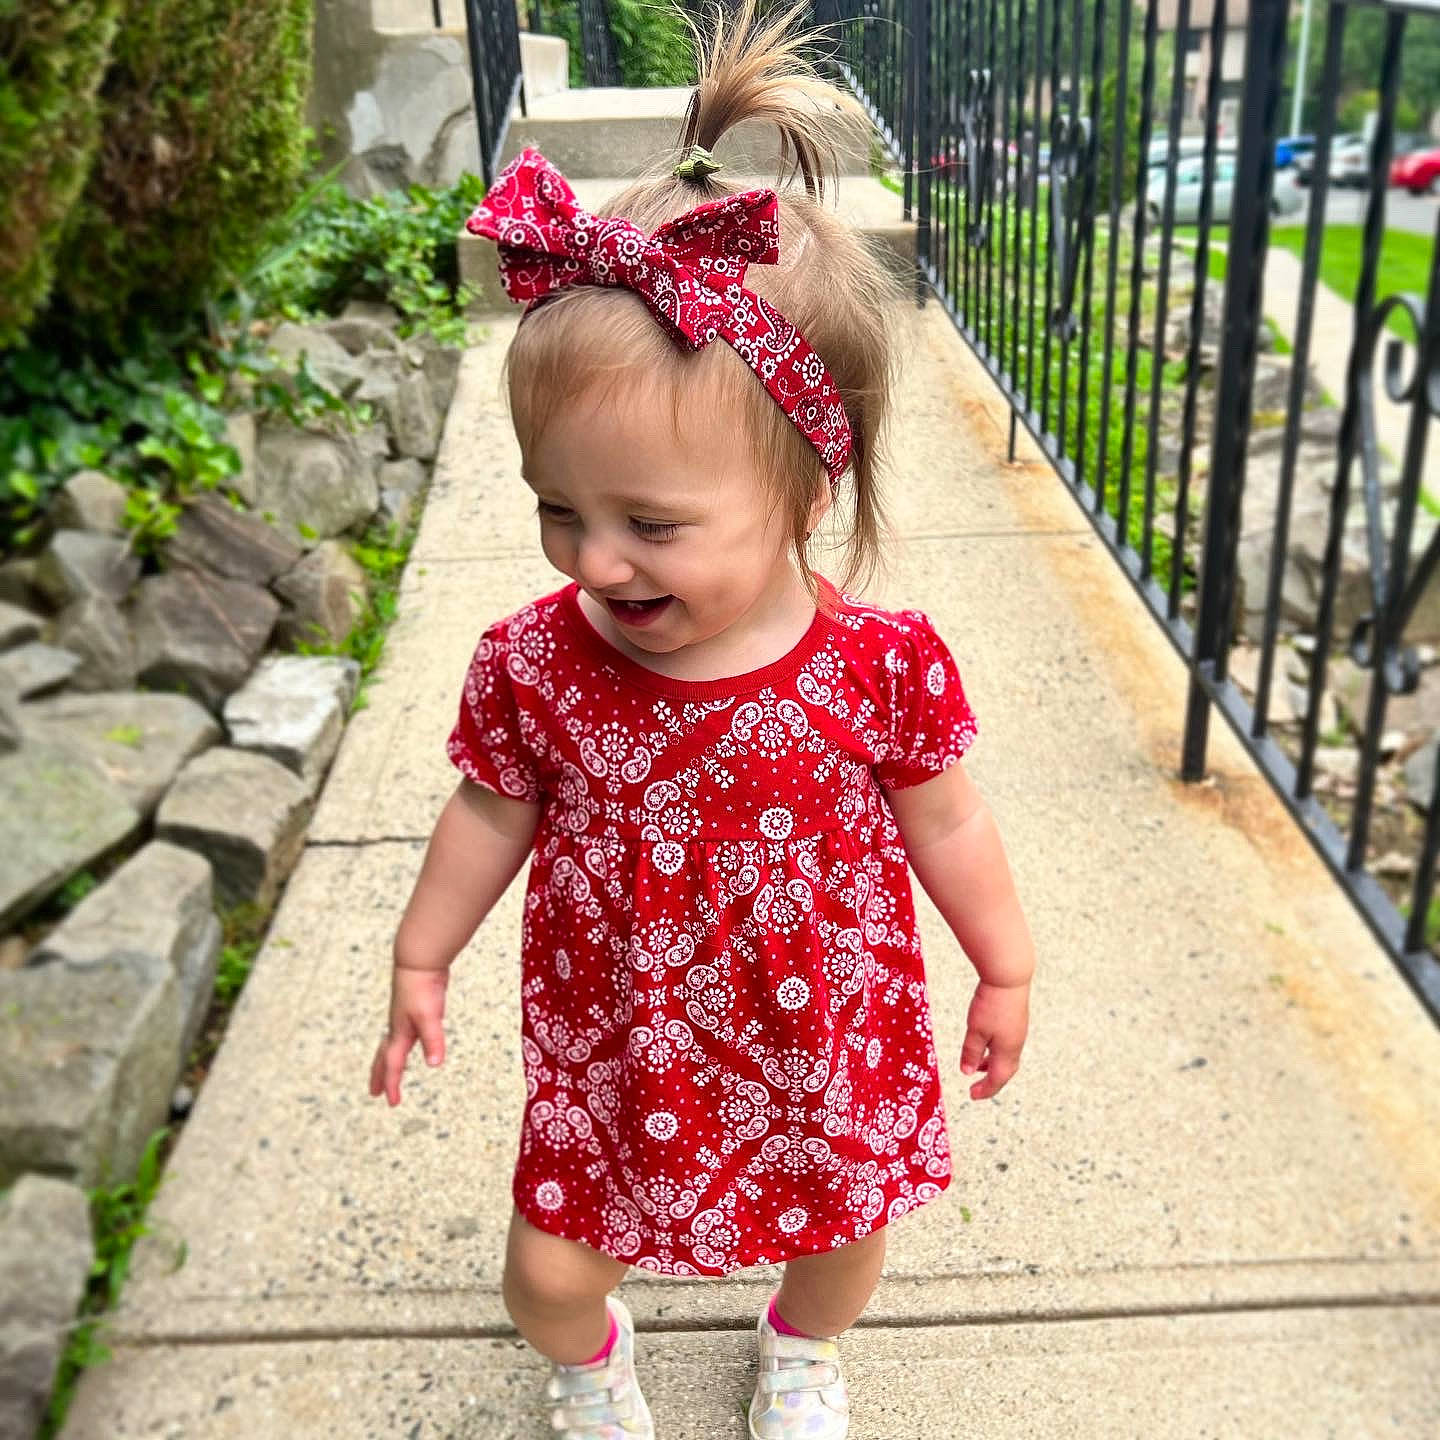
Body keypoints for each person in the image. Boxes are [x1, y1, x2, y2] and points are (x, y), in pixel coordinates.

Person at [368, 4, 1034, 1436]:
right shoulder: (536, 666)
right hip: (622, 1043)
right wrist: (422, 951)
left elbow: (948, 818)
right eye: (559, 509)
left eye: (651, 525)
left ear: (806, 492)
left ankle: (799, 1348)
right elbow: (489, 809)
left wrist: (1006, 964)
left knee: (842, 1240)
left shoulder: (878, 667)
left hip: (823, 1037)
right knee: (548, 1275)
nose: (595, 562)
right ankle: (589, 1360)